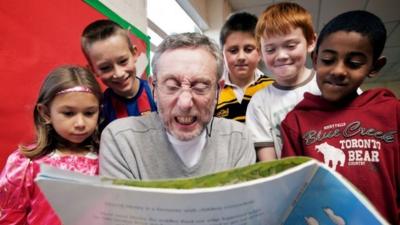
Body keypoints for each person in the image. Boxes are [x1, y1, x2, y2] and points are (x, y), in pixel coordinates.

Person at [281, 10, 398, 224]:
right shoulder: (296, 122)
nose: (338, 70)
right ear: (315, 60)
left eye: (353, 63)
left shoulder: (392, 112)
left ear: (375, 67)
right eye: (328, 60)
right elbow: (291, 192)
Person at [99, 32, 256, 180]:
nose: (185, 103)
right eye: (172, 86)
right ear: (153, 89)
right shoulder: (121, 140)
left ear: (218, 91)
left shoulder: (238, 139)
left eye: (200, 86)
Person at [0, 66, 102, 224]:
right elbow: (10, 219)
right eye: (68, 113)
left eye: (89, 113)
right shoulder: (25, 164)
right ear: (46, 113)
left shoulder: (106, 160)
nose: (80, 123)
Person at [245, 2, 319, 161]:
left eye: (291, 45)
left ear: (311, 42)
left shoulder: (331, 85)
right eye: (271, 49)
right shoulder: (259, 103)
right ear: (260, 53)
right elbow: (269, 164)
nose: (281, 56)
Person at [81, 19, 157, 127]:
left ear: (134, 54)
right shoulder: (100, 108)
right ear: (93, 70)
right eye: (105, 67)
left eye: (123, 61)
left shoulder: (157, 94)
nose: (119, 73)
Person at [215, 11, 274, 123]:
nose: (241, 57)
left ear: (260, 51)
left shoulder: (273, 89)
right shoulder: (213, 91)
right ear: (222, 53)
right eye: (233, 50)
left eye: (248, 49)